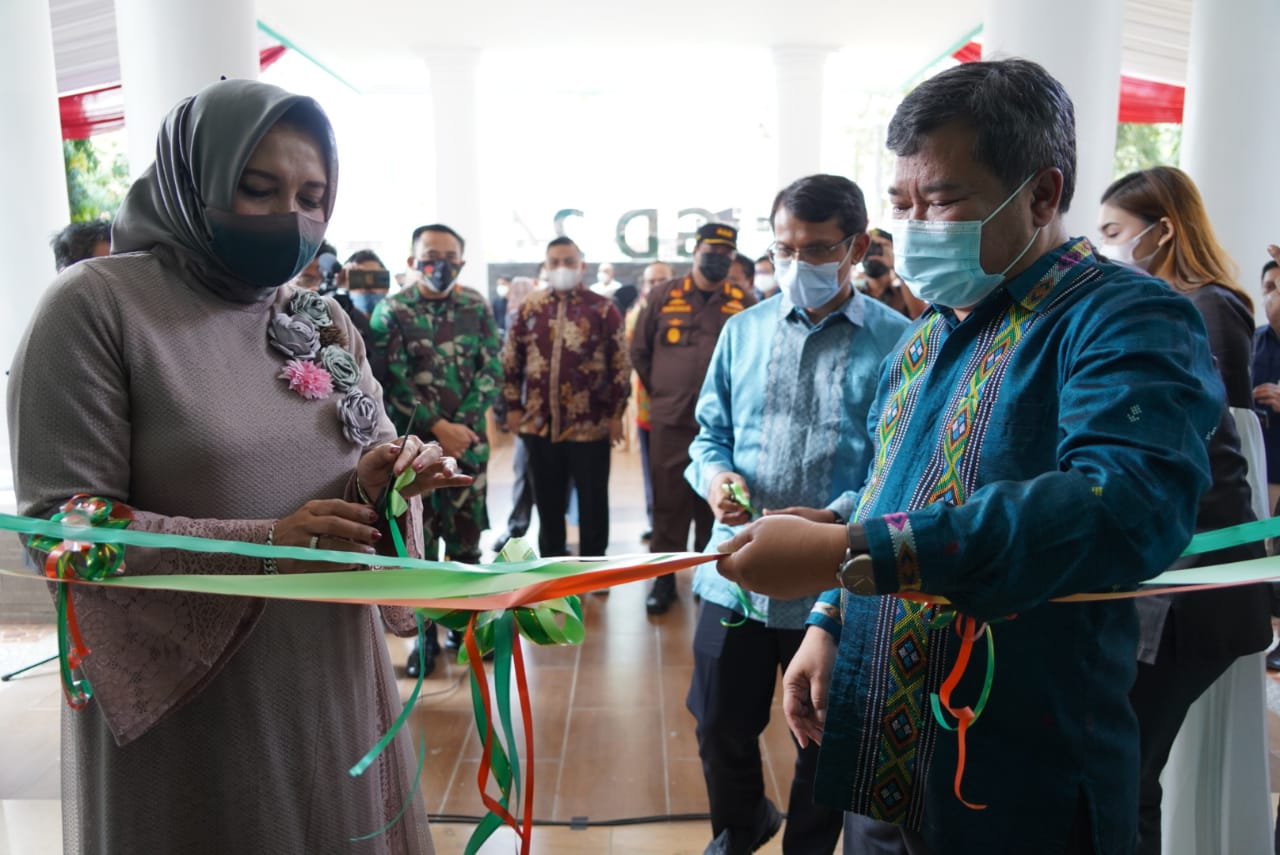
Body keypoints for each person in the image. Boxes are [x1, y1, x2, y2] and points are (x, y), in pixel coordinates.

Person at [715, 58, 1226, 854]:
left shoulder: (1123, 319)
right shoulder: (926, 338)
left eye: (944, 200)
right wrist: (827, 614)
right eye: (901, 204)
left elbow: (1124, 508)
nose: (916, 225)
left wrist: (846, 550)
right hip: (887, 735)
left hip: (1018, 764)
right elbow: (886, 489)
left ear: (1044, 195)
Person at [8, 78, 471, 854]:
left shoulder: (318, 317)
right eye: (258, 189)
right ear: (195, 183)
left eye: (312, 195)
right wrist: (265, 542)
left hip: (331, 672)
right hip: (196, 696)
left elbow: (360, 469)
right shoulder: (96, 309)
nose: (292, 216)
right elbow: (59, 529)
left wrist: (388, 481)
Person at [685, 174, 909, 855]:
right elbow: (707, 432)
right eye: (784, 248)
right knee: (719, 720)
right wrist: (714, 475)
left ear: (855, 247)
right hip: (736, 570)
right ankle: (741, 821)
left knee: (821, 735)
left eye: (816, 249)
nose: (797, 264)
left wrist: (832, 518)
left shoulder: (901, 341)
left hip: (834, 581)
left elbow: (896, 463)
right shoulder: (742, 330)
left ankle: (807, 848)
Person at [1099, 166, 1274, 854]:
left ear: (1163, 229)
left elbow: (1223, 453)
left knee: (1129, 768)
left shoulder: (1199, 308)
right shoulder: (1176, 305)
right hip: (1184, 578)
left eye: (1115, 231)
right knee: (1134, 766)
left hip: (1195, 581)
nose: (1103, 245)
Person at [370, 223, 502, 672]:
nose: (440, 264)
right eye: (431, 255)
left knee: (466, 546)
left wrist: (461, 425)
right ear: (412, 261)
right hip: (414, 456)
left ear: (461, 263)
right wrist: (437, 426)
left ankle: (468, 629)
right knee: (418, 548)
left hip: (468, 448)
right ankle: (423, 641)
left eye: (450, 257)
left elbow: (492, 369)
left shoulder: (476, 307)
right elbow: (388, 382)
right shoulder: (392, 312)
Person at [630, 224, 755, 615]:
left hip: (722, 428)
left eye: (725, 252)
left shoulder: (743, 300)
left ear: (733, 258)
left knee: (712, 505)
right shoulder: (664, 295)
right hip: (671, 421)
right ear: (695, 251)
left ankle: (709, 579)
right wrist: (667, 392)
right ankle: (663, 581)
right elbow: (639, 350)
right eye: (710, 249)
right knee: (668, 506)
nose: (716, 257)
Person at [501, 237, 630, 560]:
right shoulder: (530, 307)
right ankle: (553, 564)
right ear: (545, 267)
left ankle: (593, 564)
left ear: (582, 266)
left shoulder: (602, 308)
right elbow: (511, 359)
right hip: (538, 423)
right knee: (547, 500)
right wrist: (513, 406)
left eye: (569, 261)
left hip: (591, 425)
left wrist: (616, 414)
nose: (562, 268)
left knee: (592, 499)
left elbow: (620, 364)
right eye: (555, 261)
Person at [492, 275, 540, 554]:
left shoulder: (542, 317)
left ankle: (554, 536)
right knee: (523, 469)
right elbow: (508, 368)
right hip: (525, 412)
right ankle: (516, 529)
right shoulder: (514, 319)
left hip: (554, 413)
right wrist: (508, 409)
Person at [628, 261, 674, 543]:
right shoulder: (636, 315)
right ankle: (654, 521)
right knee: (653, 472)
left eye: (663, 280)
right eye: (652, 281)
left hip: (686, 412)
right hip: (649, 408)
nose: (657, 286)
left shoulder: (687, 314)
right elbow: (634, 354)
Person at [344, 249, 391, 316]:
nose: (366, 289)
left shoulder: (399, 318)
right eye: (358, 279)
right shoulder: (337, 319)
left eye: (375, 279)